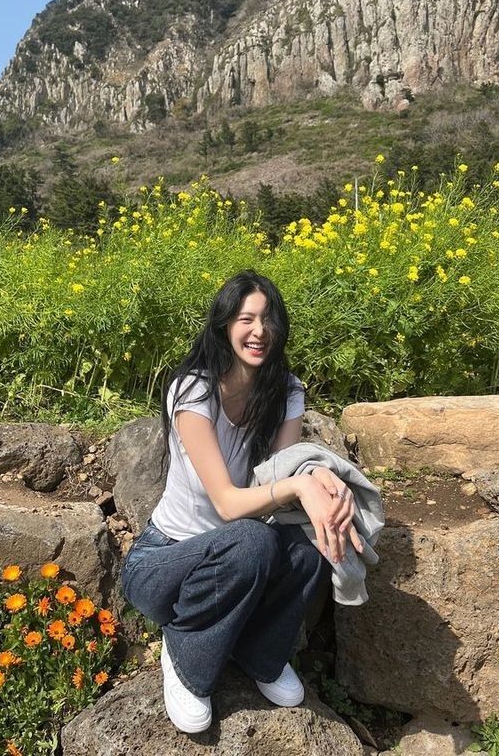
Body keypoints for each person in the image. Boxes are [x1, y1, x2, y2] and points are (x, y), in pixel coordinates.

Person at [121, 270, 364, 734]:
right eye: (246, 318)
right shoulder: (193, 390)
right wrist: (298, 487)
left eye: (269, 319)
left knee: (310, 541)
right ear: (223, 325)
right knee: (252, 540)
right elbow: (230, 504)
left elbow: (284, 469)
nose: (260, 331)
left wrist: (320, 478)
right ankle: (186, 650)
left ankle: (259, 650)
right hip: (165, 563)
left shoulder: (286, 392)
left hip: (235, 564)